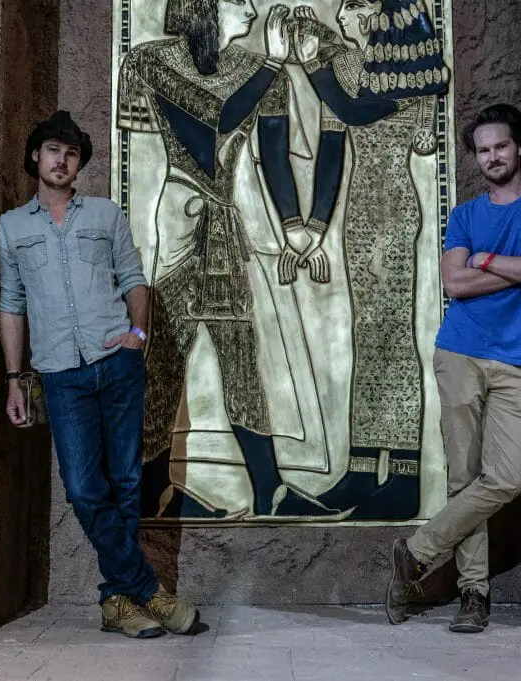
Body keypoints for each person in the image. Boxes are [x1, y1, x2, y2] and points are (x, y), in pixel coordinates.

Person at [118, 1, 337, 518]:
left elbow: (276, 155)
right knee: (164, 359)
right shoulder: (155, 60)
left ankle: (269, 491)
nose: (253, 9)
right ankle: (152, 490)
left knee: (241, 360)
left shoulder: (258, 70)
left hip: (224, 226)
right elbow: (210, 125)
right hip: (183, 220)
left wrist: (296, 229)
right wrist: (271, 65)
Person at [0, 110, 199, 639]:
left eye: (71, 153)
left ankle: (118, 603)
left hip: (116, 364)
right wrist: (14, 378)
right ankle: (147, 588)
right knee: (85, 489)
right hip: (60, 373)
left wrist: (137, 335)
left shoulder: (105, 214)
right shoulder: (12, 227)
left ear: (78, 163)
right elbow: (12, 304)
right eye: (53, 150)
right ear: (36, 157)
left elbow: (134, 279)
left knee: (126, 482)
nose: (61, 160)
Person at [385, 103, 521, 633]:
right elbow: (456, 283)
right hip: (460, 352)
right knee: (464, 477)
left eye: (501, 146)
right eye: (483, 150)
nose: (492, 157)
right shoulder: (466, 215)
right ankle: (475, 595)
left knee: (506, 479)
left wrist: (488, 261)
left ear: (520, 147)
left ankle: (416, 551)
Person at [283, 0, 450, 519]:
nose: (342, 16)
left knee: (393, 337)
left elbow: (358, 112)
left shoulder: (404, 68)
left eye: (354, 6)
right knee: (366, 336)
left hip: (392, 208)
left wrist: (314, 63)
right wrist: (313, 226)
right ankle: (361, 466)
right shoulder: (349, 65)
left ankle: (404, 475)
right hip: (359, 212)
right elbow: (333, 147)